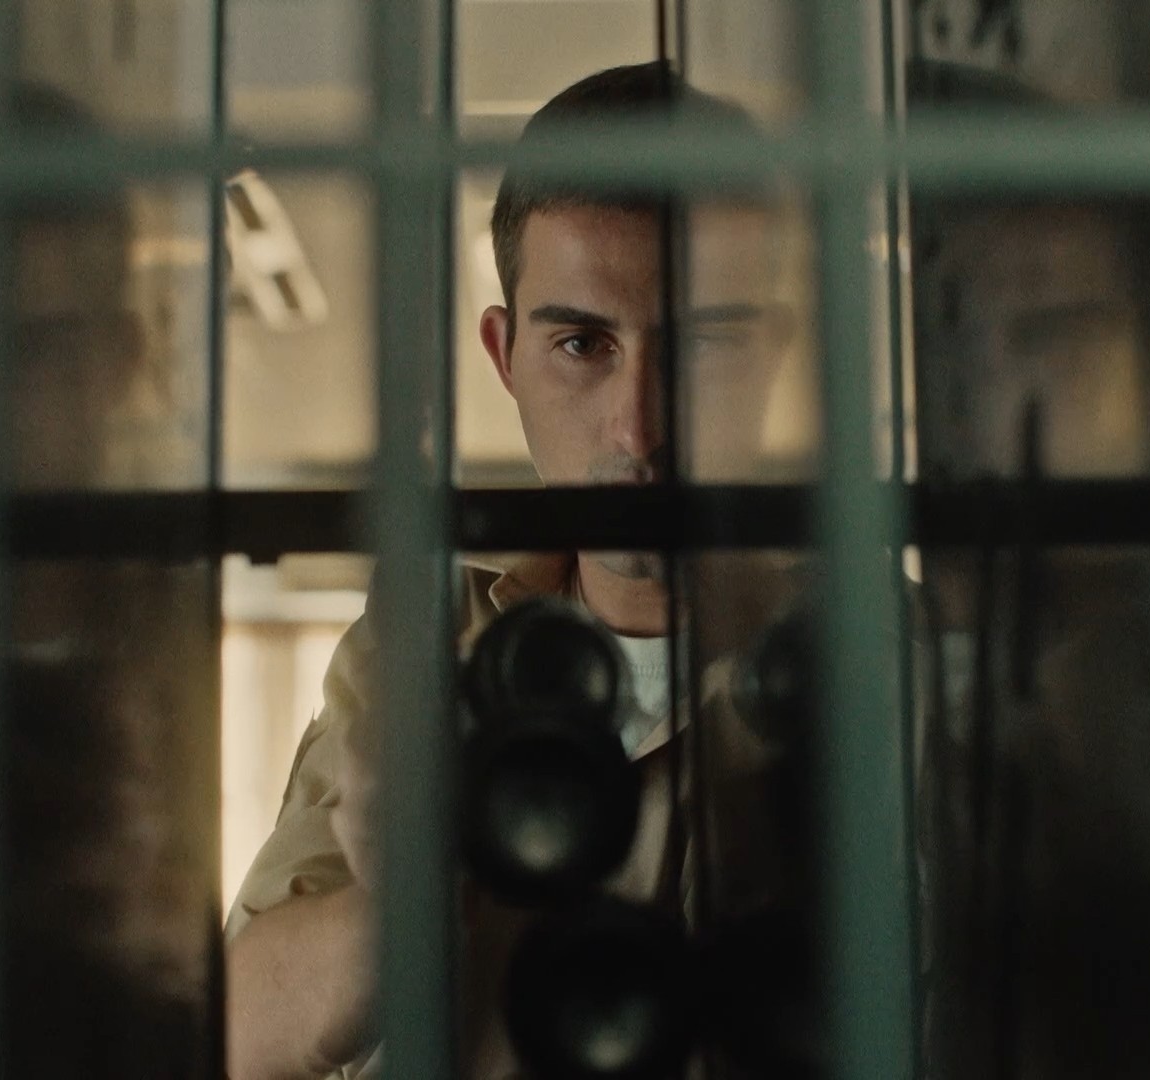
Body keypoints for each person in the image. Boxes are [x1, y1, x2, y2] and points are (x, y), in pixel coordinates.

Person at [223, 62, 816, 1080]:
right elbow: (237, 1032)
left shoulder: (883, 663)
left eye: (703, 346)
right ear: (505, 357)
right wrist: (400, 904)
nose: (639, 429)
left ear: (770, 353)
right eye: (583, 344)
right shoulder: (427, 641)